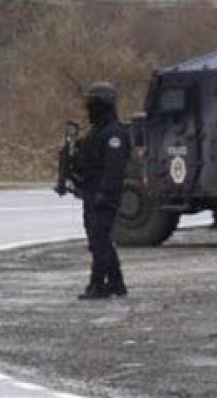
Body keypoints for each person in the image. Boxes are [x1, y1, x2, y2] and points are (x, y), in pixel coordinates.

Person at [77, 81, 132, 300]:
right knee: (99, 239)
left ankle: (97, 284)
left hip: (104, 195)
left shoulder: (114, 133)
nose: (89, 108)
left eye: (94, 103)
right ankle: (117, 284)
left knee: (98, 240)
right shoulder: (96, 131)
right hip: (92, 192)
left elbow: (114, 168)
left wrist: (104, 193)